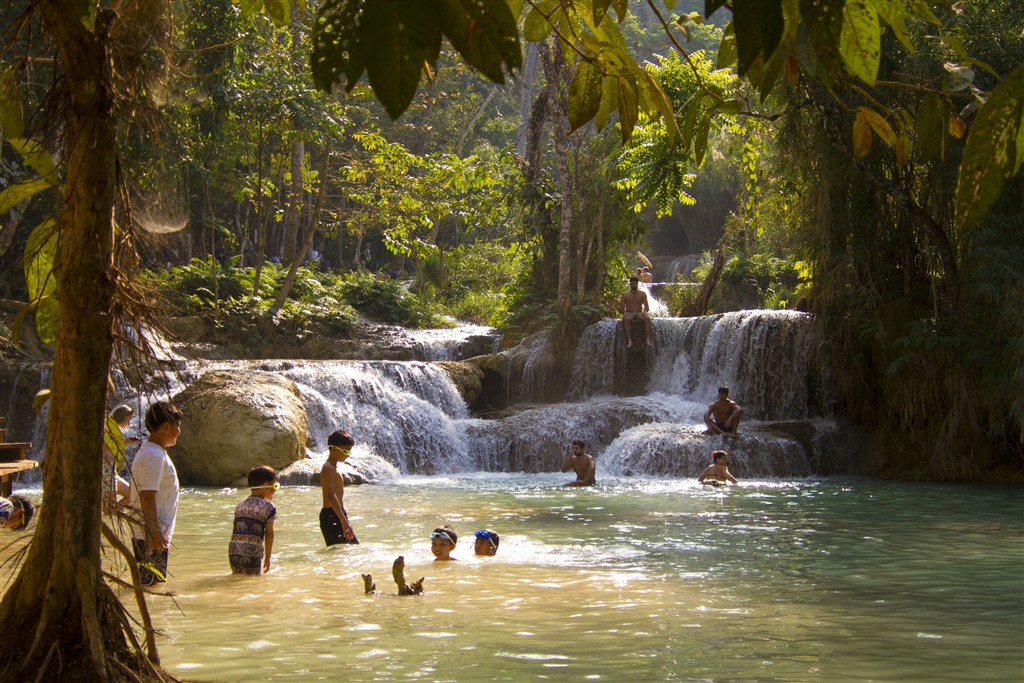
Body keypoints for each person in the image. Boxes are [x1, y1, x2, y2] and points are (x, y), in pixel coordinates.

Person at [129, 401, 182, 586]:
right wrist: (153, 532)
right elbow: (147, 496)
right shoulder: (154, 456)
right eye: (178, 426)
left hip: (151, 532)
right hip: (150, 534)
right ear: (166, 427)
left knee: (152, 584)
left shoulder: (152, 452)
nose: (179, 431)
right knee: (152, 586)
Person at [229, 465, 278, 575]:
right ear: (266, 485)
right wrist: (268, 558)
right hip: (252, 552)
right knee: (253, 581)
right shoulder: (268, 507)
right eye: (275, 486)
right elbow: (269, 534)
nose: (275, 490)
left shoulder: (240, 505)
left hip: (233, 551)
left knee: (238, 578)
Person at [320, 429, 358, 546]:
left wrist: (343, 518)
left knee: (349, 549)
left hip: (337, 514)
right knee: (340, 550)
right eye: (345, 451)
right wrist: (344, 521)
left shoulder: (334, 467)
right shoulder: (329, 468)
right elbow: (331, 496)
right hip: (331, 515)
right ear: (334, 449)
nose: (347, 455)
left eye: (349, 452)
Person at [102, 404, 137, 511]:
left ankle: (116, 513)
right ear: (122, 417)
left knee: (133, 496)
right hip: (106, 470)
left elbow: (112, 445)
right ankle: (112, 516)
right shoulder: (107, 427)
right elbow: (105, 446)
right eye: (128, 420)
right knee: (109, 506)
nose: (129, 423)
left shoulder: (114, 428)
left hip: (112, 471)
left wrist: (125, 442)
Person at [618, 276, 653, 349]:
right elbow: (621, 308)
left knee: (647, 318)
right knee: (626, 319)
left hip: (639, 313)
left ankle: (647, 339)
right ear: (630, 284)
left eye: (635, 283)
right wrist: (625, 313)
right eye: (632, 283)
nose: (634, 285)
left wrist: (645, 312)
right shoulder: (625, 295)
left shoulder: (642, 294)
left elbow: (647, 307)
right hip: (629, 313)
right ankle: (629, 340)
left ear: (637, 284)